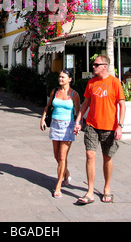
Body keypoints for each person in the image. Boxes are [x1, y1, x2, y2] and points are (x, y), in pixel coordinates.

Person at [74, 55, 126, 204]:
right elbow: (85, 103)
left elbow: (122, 105)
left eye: (96, 64)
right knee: (90, 155)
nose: (93, 67)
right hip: (91, 125)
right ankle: (90, 192)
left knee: (107, 157)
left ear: (104, 66)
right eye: (93, 64)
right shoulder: (91, 82)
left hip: (109, 126)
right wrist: (78, 121)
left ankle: (107, 188)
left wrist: (120, 126)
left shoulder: (115, 83)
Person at [41, 69, 80, 198]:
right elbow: (48, 106)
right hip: (55, 124)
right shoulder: (55, 91)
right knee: (56, 156)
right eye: (60, 77)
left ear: (70, 79)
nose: (60, 79)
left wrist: (78, 124)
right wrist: (43, 118)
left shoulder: (74, 94)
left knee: (62, 157)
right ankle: (66, 173)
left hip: (67, 126)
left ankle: (58, 186)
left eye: (63, 77)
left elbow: (79, 112)